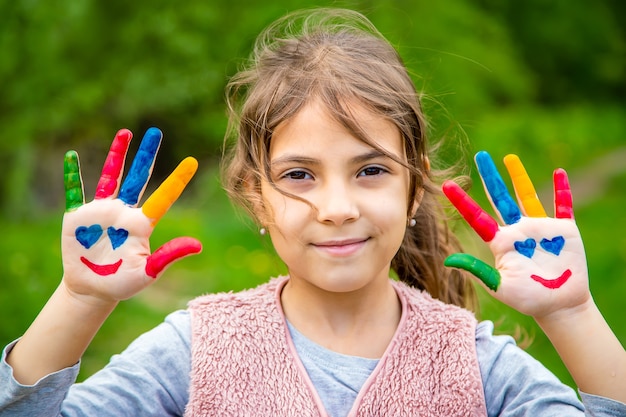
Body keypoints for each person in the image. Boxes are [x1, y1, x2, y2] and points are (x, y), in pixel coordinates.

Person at [1, 7, 625, 417]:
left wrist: (571, 312)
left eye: (371, 170)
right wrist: (81, 299)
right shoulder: (195, 350)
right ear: (256, 196)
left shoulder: (476, 365)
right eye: (299, 176)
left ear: (414, 191)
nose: (336, 207)